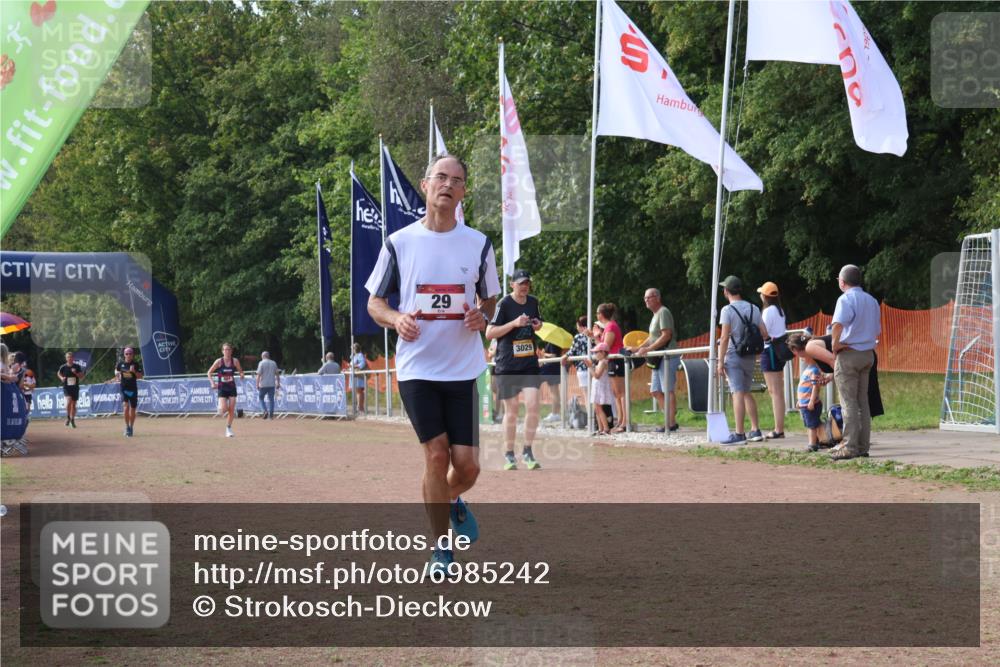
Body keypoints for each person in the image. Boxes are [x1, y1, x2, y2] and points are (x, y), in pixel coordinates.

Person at [366, 153, 500, 571]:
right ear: (425, 186)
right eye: (440, 177)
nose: (447, 184)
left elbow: (491, 300)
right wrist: (396, 318)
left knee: (469, 467)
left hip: (462, 369)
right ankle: (441, 548)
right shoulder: (399, 243)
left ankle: (449, 497)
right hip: (418, 369)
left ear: (463, 192)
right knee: (437, 456)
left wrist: (483, 315)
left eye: (456, 180)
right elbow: (374, 302)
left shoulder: (478, 244)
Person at [486, 268, 544, 470]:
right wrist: (513, 323)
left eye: (527, 282)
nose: (524, 286)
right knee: (511, 411)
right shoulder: (504, 304)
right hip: (508, 365)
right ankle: (509, 454)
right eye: (520, 283)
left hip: (528, 364)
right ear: (512, 284)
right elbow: (490, 333)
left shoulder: (533, 302)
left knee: (533, 406)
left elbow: (538, 323)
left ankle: (527, 451)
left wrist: (537, 325)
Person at [829, 264, 881, 460]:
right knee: (863, 402)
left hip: (849, 354)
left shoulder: (845, 299)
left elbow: (837, 325)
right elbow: (877, 330)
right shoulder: (872, 301)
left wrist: (835, 345)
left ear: (842, 282)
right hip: (868, 354)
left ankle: (849, 446)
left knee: (848, 402)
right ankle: (862, 446)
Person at [716, 276, 768, 445]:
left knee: (737, 392)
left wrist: (719, 361)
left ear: (726, 291)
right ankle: (755, 429)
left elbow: (724, 338)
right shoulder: (754, 308)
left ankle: (739, 433)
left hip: (734, 355)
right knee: (746, 392)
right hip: (751, 355)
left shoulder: (727, 310)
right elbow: (764, 332)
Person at [629, 288, 680, 433]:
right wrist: (637, 348)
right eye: (645, 298)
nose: (646, 300)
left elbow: (666, 335)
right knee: (656, 390)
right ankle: (670, 420)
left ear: (657, 297)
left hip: (667, 356)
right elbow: (652, 337)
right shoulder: (655, 315)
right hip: (658, 357)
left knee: (667, 390)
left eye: (649, 297)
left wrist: (648, 349)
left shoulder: (663, 312)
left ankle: (670, 423)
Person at [757, 281, 788, 439]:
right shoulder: (780, 310)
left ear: (765, 296)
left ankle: (778, 429)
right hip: (778, 351)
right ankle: (779, 427)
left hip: (769, 351)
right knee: (777, 391)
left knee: (774, 392)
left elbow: (764, 332)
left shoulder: (768, 312)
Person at [787, 333, 825, 452]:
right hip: (805, 403)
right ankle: (820, 440)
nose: (802, 359)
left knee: (811, 426)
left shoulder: (814, 370)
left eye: (804, 357)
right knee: (813, 423)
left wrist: (812, 401)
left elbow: (815, 387)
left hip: (810, 404)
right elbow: (805, 388)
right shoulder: (808, 369)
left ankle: (812, 444)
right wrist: (800, 401)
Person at [596, 303, 627, 432]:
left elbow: (605, 347)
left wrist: (599, 355)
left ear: (601, 314)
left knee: (621, 393)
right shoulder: (608, 327)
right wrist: (595, 336)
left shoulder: (611, 326)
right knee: (616, 394)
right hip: (612, 361)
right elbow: (602, 346)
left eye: (597, 313)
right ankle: (620, 420)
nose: (596, 316)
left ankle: (625, 422)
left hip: (616, 360)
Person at [207, 342, 244, 438]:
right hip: (222, 388)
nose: (227, 351)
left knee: (231, 408)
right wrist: (212, 383)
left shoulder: (235, 361)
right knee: (223, 410)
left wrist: (241, 374)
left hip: (231, 387)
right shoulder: (219, 362)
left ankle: (228, 428)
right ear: (222, 351)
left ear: (231, 351)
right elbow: (209, 373)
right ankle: (232, 411)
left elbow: (240, 370)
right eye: (225, 349)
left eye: (228, 349)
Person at [115, 347, 144, 437]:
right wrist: (118, 377)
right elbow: (117, 373)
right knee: (125, 407)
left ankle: (131, 427)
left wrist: (134, 372)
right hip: (124, 389)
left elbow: (140, 376)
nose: (128, 355)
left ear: (132, 355)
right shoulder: (121, 364)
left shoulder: (136, 364)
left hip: (133, 389)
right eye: (126, 354)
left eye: (130, 354)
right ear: (124, 355)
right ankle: (127, 427)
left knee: (133, 409)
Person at [565, 316, 592, 409]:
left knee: (586, 395)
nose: (577, 327)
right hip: (594, 367)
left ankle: (591, 418)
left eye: (577, 325)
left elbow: (571, 351)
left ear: (581, 326)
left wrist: (564, 357)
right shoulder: (594, 335)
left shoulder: (578, 337)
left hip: (582, 368)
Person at [588, 343, 614, 435]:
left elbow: (597, 375)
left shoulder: (603, 362)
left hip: (600, 387)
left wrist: (590, 366)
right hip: (597, 387)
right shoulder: (600, 362)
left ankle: (606, 428)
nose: (595, 355)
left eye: (596, 352)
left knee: (599, 409)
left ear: (603, 352)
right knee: (597, 409)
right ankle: (600, 428)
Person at [57, 351, 85, 428]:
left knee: (74, 405)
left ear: (73, 358)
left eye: (70, 357)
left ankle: (72, 419)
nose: (69, 359)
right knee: (69, 400)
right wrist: (62, 378)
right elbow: (58, 373)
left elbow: (81, 376)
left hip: (75, 387)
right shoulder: (63, 367)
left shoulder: (77, 366)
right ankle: (68, 417)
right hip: (67, 387)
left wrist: (76, 373)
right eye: (68, 357)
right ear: (66, 358)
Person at [539, 342, 563, 424]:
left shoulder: (553, 343)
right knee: (555, 392)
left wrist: (543, 353)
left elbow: (554, 356)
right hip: (553, 369)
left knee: (554, 392)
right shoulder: (551, 343)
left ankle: (555, 413)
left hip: (552, 369)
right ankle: (555, 413)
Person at [256, 351, 280, 420]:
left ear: (262, 356)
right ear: (268, 356)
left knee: (261, 398)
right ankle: (271, 416)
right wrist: (278, 383)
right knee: (271, 400)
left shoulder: (261, 363)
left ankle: (265, 411)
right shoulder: (273, 363)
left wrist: (257, 384)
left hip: (263, 384)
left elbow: (258, 375)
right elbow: (277, 374)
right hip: (272, 384)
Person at [351, 343, 368, 415]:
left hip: (358, 376)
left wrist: (355, 366)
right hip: (356, 376)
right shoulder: (355, 356)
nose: (352, 350)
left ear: (355, 349)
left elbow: (363, 363)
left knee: (359, 391)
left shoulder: (360, 355)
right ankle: (360, 407)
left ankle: (360, 408)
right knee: (359, 391)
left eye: (352, 349)